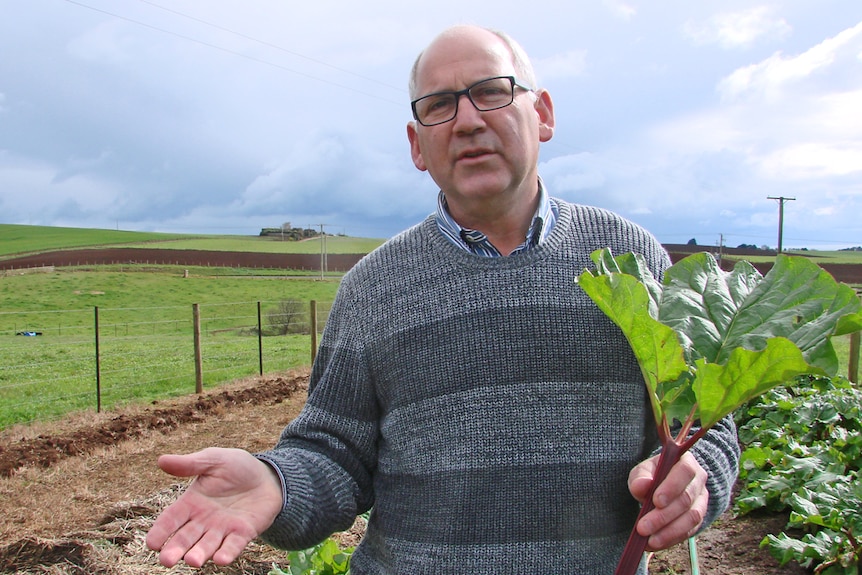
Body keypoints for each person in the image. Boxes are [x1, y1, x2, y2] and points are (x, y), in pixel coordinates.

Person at [146, 25, 739, 574]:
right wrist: (276, 484)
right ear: (416, 144)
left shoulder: (629, 258)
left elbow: (702, 423)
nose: (468, 120)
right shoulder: (374, 288)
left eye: (492, 92)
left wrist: (699, 478)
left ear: (545, 113)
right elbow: (335, 453)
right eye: (439, 105)